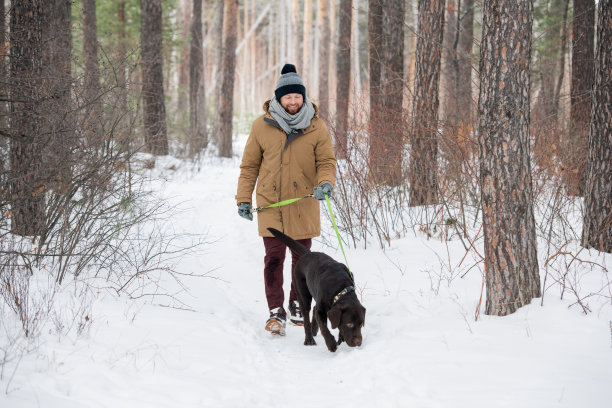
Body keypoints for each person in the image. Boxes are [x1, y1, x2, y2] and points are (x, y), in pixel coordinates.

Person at [235, 64, 337, 336]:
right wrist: (243, 198)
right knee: (273, 258)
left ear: (303, 97)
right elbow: (249, 167)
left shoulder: (316, 126)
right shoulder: (261, 126)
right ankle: (275, 311)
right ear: (279, 98)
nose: (293, 101)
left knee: (302, 260)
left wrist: (325, 183)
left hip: (303, 203)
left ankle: (296, 303)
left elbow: (326, 161)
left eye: (297, 96)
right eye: (287, 97)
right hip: (271, 203)